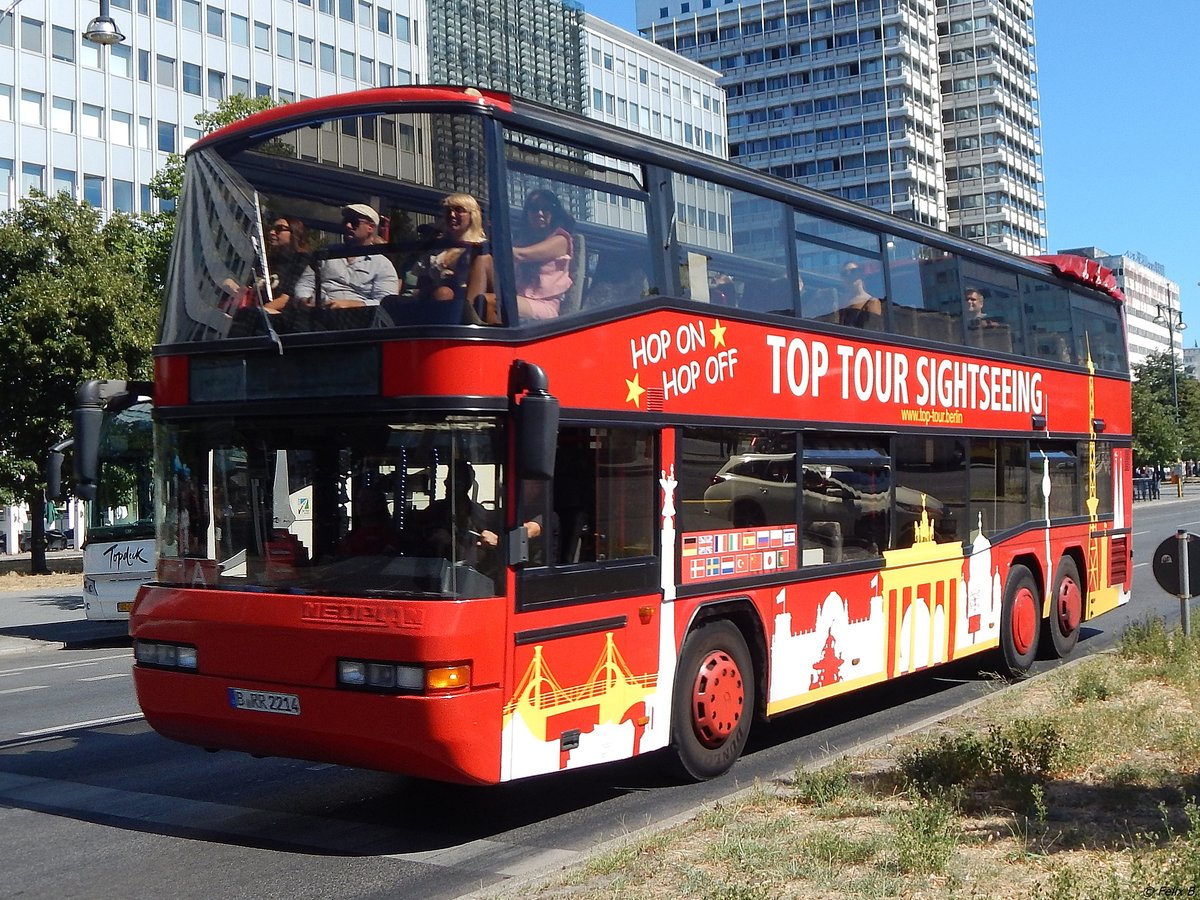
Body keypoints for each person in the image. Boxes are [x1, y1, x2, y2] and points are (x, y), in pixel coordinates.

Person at [294, 203, 398, 309]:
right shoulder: (326, 253)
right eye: (345, 222)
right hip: (319, 315)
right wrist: (304, 299)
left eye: (354, 222)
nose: (348, 226)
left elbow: (386, 302)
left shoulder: (382, 264)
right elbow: (305, 284)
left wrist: (354, 305)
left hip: (359, 320)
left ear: (370, 228)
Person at [411, 193, 496, 321]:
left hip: (469, 308)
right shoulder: (435, 249)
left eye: (459, 210)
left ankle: (468, 321)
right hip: (437, 306)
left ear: (472, 216)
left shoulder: (482, 248)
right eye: (448, 210)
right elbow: (421, 286)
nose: (451, 215)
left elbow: (496, 288)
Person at [513, 189, 575, 320]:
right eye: (534, 208)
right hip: (519, 297)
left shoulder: (561, 240)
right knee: (484, 261)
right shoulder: (521, 240)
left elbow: (522, 256)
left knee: (496, 303)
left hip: (545, 306)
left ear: (554, 212)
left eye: (546, 208)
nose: (540, 213)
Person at [838, 261, 882, 327]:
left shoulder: (872, 302)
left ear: (861, 274)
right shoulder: (842, 301)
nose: (849, 275)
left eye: (853, 271)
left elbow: (873, 329)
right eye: (844, 273)